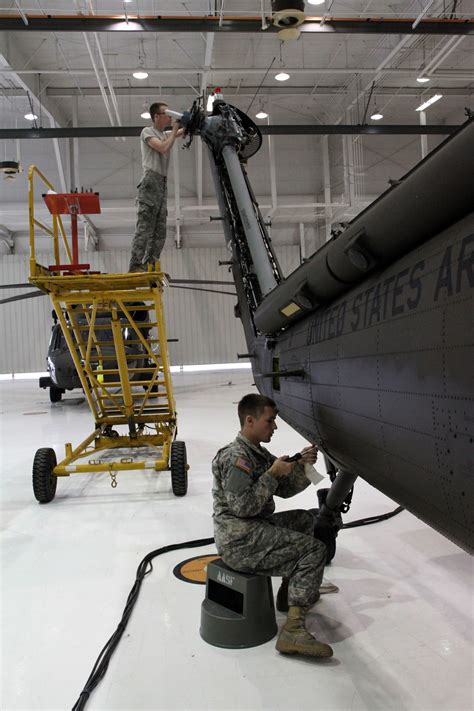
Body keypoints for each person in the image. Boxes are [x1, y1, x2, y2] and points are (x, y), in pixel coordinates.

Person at [212, 393, 333, 658]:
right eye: (270, 421)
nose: (274, 427)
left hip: (253, 528)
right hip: (238, 540)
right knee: (313, 550)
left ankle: (287, 595)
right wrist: (272, 474)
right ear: (250, 420)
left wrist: (302, 466)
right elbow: (242, 508)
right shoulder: (236, 458)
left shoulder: (257, 453)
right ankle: (293, 630)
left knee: (304, 520)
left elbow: (285, 491)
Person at [129, 101, 182, 273]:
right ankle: (136, 265)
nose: (169, 117)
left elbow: (178, 134)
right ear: (156, 116)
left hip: (162, 184)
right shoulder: (148, 132)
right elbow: (163, 148)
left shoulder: (164, 134)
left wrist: (190, 124)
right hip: (151, 182)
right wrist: (174, 131)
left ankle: (149, 265)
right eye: (166, 114)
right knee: (144, 228)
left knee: (159, 232)